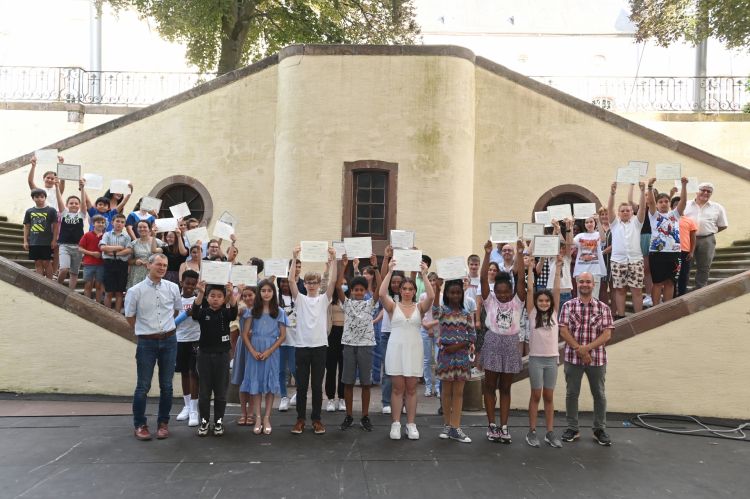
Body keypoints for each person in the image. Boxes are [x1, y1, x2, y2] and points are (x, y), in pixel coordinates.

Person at [124, 253, 182, 441]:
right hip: (147, 342)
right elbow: (130, 317)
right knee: (143, 386)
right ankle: (140, 424)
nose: (163, 268)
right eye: (158, 264)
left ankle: (163, 423)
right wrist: (145, 330)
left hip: (169, 340)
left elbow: (175, 310)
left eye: (165, 265)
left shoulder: (173, 287)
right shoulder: (135, 291)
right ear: (148, 265)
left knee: (167, 386)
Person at [379, 256, 434, 440]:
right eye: (404, 288)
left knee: (411, 389)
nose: (407, 291)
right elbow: (380, 294)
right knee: (397, 389)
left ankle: (411, 424)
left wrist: (424, 274)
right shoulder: (392, 307)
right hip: (396, 350)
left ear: (415, 291)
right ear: (400, 290)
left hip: (414, 350)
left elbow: (432, 296)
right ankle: (396, 423)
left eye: (411, 289)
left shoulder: (420, 307)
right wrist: (389, 271)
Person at [558, 272, 615, 446]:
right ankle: (572, 428)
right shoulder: (567, 306)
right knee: (572, 393)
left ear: (593, 284)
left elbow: (607, 334)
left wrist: (586, 349)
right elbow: (563, 330)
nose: (584, 284)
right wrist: (579, 349)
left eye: (588, 282)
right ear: (577, 283)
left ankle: (599, 429)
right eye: (581, 281)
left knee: (599, 394)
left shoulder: (603, 308)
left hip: (596, 359)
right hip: (572, 359)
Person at [479, 238, 527, 443]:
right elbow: (482, 280)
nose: (503, 295)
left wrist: (520, 253)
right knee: (490, 386)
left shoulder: (517, 301)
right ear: (494, 292)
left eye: (506, 291)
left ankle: (504, 426)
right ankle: (491, 425)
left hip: (510, 345)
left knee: (506, 387)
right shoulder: (490, 301)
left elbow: (522, 280)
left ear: (511, 291)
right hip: (492, 343)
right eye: (499, 292)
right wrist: (487, 254)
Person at [289, 245, 338, 435]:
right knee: (301, 386)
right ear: (305, 284)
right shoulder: (299, 299)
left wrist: (333, 259)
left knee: (317, 387)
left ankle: (316, 419)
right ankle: (300, 419)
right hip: (301, 347)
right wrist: (295, 258)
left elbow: (333, 280)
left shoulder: (324, 299)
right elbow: (291, 280)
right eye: (308, 282)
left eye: (314, 282)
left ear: (319, 284)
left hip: (319, 348)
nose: (311, 285)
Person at [336, 254, 381, 432]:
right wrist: (344, 266)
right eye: (356, 290)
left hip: (366, 346)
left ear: (365, 290)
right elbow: (338, 286)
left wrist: (376, 267)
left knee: (365, 383)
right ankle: (348, 415)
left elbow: (379, 290)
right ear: (351, 291)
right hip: (349, 345)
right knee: (347, 382)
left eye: (362, 289)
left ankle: (364, 416)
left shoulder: (370, 304)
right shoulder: (346, 304)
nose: (359, 292)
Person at [191, 280, 239, 437]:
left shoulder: (225, 313)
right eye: (212, 296)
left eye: (219, 296)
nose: (216, 299)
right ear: (207, 297)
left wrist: (231, 293)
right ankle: (204, 422)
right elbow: (195, 311)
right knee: (204, 392)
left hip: (222, 356)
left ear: (223, 298)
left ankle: (218, 422)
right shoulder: (203, 312)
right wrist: (200, 292)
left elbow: (233, 311)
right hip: (204, 356)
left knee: (220, 393)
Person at [525, 254, 563, 448]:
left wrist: (557, 266)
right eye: (540, 301)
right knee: (536, 396)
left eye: (546, 301)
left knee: (549, 396)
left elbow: (556, 289)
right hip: (536, 360)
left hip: (551, 360)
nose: (544, 304)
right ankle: (531, 432)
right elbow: (530, 288)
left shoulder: (555, 312)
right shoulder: (532, 313)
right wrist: (531, 268)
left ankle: (549, 432)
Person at [432, 278, 476, 443]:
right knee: (446, 391)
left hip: (461, 356)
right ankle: (447, 425)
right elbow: (434, 310)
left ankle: (456, 427)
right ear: (447, 294)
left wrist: (457, 347)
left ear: (462, 294)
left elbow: (472, 335)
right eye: (452, 292)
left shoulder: (466, 314)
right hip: (446, 357)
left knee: (458, 392)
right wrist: (437, 288)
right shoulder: (442, 311)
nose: (455, 295)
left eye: (458, 292)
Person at [241, 279, 288, 435]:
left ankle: (267, 417)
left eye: (269, 290)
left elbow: (282, 336)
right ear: (259, 293)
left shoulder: (279, 311)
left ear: (273, 293)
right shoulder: (252, 311)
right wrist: (253, 351)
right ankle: (258, 417)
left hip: (272, 351)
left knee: (269, 385)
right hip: (255, 350)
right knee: (256, 385)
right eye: (263, 291)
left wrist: (269, 351)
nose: (266, 293)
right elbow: (245, 334)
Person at [607, 181, 647, 319]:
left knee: (636, 290)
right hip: (618, 261)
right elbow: (609, 208)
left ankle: (639, 317)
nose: (625, 212)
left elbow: (642, 209)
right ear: (618, 213)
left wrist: (642, 191)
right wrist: (612, 193)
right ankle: (621, 316)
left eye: (628, 210)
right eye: (622, 210)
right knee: (620, 290)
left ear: (632, 212)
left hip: (636, 260)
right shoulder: (614, 224)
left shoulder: (637, 223)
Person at [645, 177, 688, 304]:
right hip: (657, 253)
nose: (663, 203)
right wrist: (650, 186)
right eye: (661, 202)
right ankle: (655, 309)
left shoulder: (674, 215)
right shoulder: (654, 215)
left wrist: (684, 185)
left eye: (666, 201)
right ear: (657, 204)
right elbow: (651, 202)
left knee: (670, 282)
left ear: (669, 203)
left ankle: (667, 308)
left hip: (674, 253)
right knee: (657, 283)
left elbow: (683, 201)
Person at [683, 182, 728, 289]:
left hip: (707, 239)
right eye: (703, 190)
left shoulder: (717, 207)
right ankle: (681, 289)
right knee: (685, 266)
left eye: (709, 191)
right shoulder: (686, 204)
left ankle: (701, 288)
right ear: (697, 191)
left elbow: (723, 225)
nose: (705, 193)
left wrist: (709, 231)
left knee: (704, 266)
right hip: (688, 239)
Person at [173, 270, 201, 427]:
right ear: (181, 283)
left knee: (193, 373)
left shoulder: (199, 299)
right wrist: (186, 314)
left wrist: (194, 312)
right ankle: (186, 405)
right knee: (184, 372)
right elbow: (171, 322)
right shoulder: (176, 299)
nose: (190, 286)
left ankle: (194, 410)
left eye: (193, 284)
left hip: (196, 339)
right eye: (187, 283)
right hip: (180, 339)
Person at [232, 286, 257, 426]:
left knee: (253, 380)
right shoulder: (241, 309)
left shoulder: (260, 310)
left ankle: (251, 413)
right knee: (242, 380)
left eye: (250, 295)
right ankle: (243, 413)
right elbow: (233, 308)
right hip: (243, 346)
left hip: (255, 346)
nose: (248, 298)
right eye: (245, 296)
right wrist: (238, 292)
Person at [54, 179, 86, 290]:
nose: (74, 205)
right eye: (71, 203)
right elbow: (59, 200)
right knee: (64, 269)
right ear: (67, 205)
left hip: (78, 247)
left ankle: (70, 293)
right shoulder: (64, 213)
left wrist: (82, 188)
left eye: (76, 203)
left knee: (74, 272)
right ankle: (57, 287)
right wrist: (57, 187)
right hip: (64, 245)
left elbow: (84, 202)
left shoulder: (82, 214)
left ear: (79, 205)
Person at [100, 213, 132, 312]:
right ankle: (107, 313)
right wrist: (119, 248)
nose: (119, 224)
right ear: (112, 222)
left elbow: (129, 250)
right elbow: (103, 247)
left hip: (122, 265)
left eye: (122, 222)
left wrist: (114, 254)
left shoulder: (126, 237)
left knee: (119, 292)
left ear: (124, 224)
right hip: (109, 264)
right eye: (117, 221)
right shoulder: (107, 234)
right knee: (109, 291)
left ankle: (117, 314)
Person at [22, 189, 58, 279]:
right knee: (37, 262)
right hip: (34, 242)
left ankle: (49, 284)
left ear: (45, 198)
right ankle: (40, 284)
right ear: (33, 198)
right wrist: (25, 241)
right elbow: (27, 226)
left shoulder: (51, 210)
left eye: (42, 197)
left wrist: (54, 240)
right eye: (37, 197)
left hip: (46, 242)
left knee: (46, 262)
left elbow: (55, 226)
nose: (39, 199)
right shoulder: (29, 211)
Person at [121, 220, 166, 290]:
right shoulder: (133, 243)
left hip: (152, 273)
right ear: (137, 229)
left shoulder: (158, 242)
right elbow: (128, 260)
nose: (142, 229)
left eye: (145, 227)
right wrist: (135, 261)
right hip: (136, 274)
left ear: (149, 229)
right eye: (140, 227)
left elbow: (164, 258)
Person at [326, 263, 346, 413]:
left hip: (346, 334)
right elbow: (327, 283)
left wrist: (347, 266)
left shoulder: (349, 299)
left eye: (345, 283)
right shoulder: (328, 299)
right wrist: (329, 267)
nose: (342, 285)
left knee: (344, 368)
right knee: (331, 368)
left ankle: (342, 398)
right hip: (332, 334)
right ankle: (331, 398)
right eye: (341, 283)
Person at [572, 215, 606, 299]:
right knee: (581, 298)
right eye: (587, 222)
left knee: (594, 298)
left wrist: (598, 221)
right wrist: (570, 224)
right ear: (584, 224)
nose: (589, 224)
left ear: (594, 223)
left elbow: (604, 240)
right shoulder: (580, 236)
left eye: (591, 221)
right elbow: (570, 242)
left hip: (595, 270)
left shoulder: (598, 234)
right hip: (580, 271)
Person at [277, 276, 298, 412]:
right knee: (280, 370)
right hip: (278, 341)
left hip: (294, 340)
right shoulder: (274, 300)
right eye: (282, 281)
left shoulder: (297, 299)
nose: (285, 284)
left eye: (287, 281)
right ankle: (284, 397)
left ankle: (299, 392)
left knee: (294, 369)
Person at [670, 196, 698, 297]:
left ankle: (682, 295)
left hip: (685, 252)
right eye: (675, 205)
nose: (678, 207)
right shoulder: (669, 219)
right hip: (671, 252)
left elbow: (693, 238)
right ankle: (671, 296)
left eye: (680, 204)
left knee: (683, 275)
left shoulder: (689, 220)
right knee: (672, 275)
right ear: (672, 207)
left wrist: (691, 251)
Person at [78, 214, 107, 302]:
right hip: (89, 264)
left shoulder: (106, 236)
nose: (101, 224)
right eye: (98, 222)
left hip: (102, 264)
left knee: (99, 285)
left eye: (103, 222)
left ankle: (97, 304)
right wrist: (92, 253)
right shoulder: (87, 235)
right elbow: (80, 248)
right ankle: (87, 302)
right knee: (88, 284)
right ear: (93, 224)